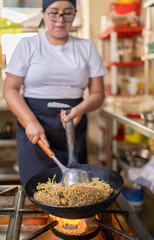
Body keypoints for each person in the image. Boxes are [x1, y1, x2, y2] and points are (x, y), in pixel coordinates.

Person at [3, 0, 107, 186]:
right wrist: (31, 122)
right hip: (34, 122)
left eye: (67, 13)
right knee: (37, 188)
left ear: (74, 14)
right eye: (54, 13)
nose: (60, 19)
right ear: (43, 13)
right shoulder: (28, 45)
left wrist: (81, 109)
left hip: (72, 127)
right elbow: (10, 89)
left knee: (76, 189)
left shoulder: (86, 47)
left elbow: (98, 94)